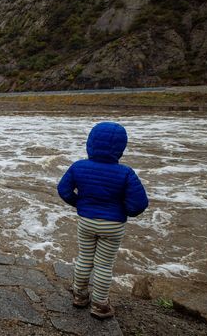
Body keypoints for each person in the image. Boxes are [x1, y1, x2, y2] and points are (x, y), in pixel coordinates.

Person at [57, 122, 148, 319]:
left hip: (86, 221)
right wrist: (124, 211)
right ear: (120, 149)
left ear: (90, 144)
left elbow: (63, 190)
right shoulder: (126, 173)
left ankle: (79, 296)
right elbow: (138, 204)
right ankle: (100, 304)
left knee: (84, 258)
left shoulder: (78, 167)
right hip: (113, 225)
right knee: (104, 265)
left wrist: (79, 204)